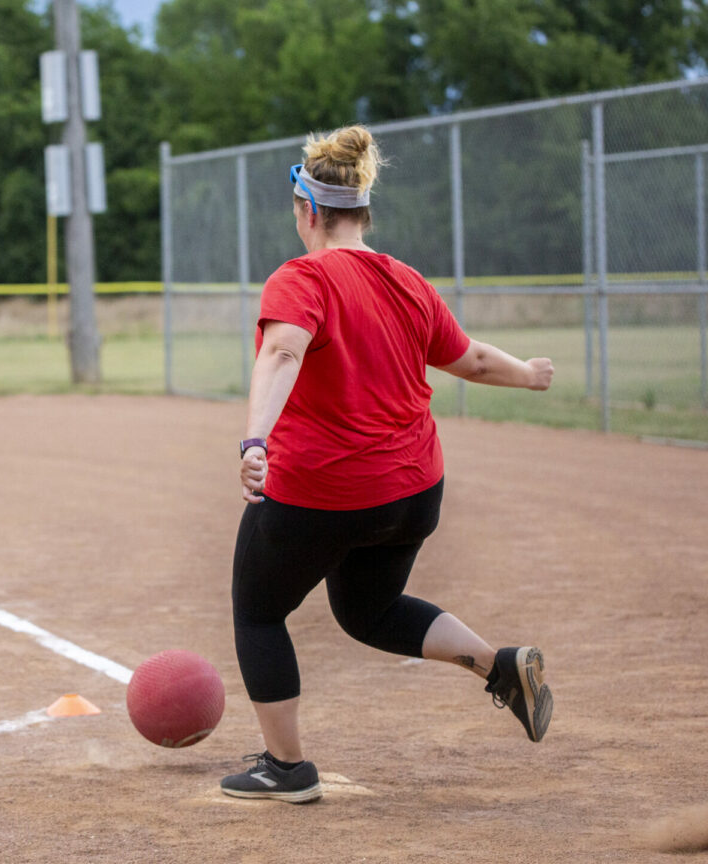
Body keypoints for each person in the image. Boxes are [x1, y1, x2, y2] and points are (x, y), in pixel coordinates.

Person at [219, 125, 555, 804]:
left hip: (323, 490)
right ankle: (500, 667)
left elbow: (282, 353)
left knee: (258, 611)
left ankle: (286, 768)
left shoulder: (303, 277)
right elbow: (472, 359)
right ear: (364, 210)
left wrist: (255, 442)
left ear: (307, 210)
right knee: (367, 611)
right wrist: (528, 373)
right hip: (413, 492)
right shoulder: (407, 281)